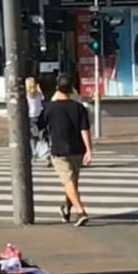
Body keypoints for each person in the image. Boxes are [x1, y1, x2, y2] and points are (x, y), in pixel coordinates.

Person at [38, 74, 92, 227]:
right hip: (77, 150)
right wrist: (89, 150)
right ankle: (66, 209)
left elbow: (40, 124)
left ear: (57, 88)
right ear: (71, 89)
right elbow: (84, 129)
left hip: (59, 149)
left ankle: (80, 212)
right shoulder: (79, 108)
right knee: (72, 182)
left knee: (69, 182)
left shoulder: (50, 108)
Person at [25, 77, 50, 166]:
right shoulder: (38, 93)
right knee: (42, 136)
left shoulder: (26, 95)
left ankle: (34, 154)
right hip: (40, 116)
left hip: (30, 117)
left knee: (32, 137)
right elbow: (42, 100)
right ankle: (46, 154)